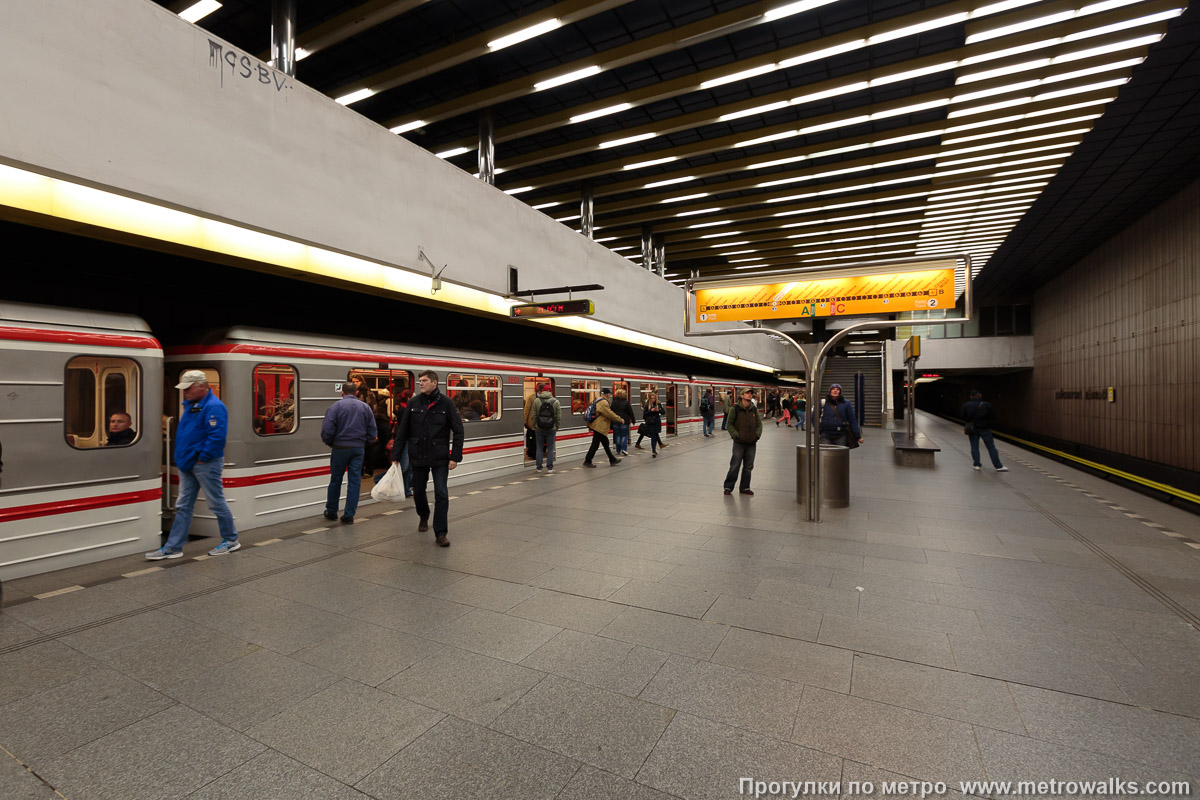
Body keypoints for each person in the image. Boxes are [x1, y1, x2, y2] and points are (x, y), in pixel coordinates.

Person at [147, 371, 238, 559]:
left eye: (188, 389)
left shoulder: (214, 406)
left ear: (201, 386)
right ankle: (173, 547)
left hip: (205, 463)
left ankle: (230, 540)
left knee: (216, 502)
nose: (185, 392)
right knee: (183, 505)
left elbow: (217, 437)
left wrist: (203, 457)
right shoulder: (192, 405)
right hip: (188, 463)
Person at [394, 370, 464, 546]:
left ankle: (440, 533)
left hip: (440, 456)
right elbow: (402, 432)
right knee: (418, 491)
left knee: (441, 493)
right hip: (418, 455)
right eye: (420, 381)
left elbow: (458, 431)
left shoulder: (447, 404)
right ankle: (423, 515)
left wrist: (455, 457)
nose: (421, 384)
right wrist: (395, 456)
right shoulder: (413, 403)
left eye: (424, 381)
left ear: (434, 382)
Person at [321, 383, 378, 524]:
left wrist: (330, 442)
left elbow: (327, 430)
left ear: (342, 393)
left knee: (336, 480)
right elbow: (372, 430)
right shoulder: (365, 407)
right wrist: (365, 443)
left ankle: (332, 511)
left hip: (339, 448)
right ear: (357, 392)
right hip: (358, 449)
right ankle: (349, 515)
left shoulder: (335, 407)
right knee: (354, 481)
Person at [724, 388, 762, 496]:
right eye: (747, 393)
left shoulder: (754, 409)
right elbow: (729, 424)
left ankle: (745, 487)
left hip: (751, 442)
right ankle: (728, 487)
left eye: (751, 393)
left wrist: (757, 435)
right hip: (739, 442)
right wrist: (735, 435)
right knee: (735, 464)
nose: (750, 395)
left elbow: (759, 424)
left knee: (748, 466)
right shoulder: (734, 409)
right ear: (742, 395)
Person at [962, 390, 1008, 472]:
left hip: (973, 429)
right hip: (984, 429)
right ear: (980, 396)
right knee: (991, 447)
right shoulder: (986, 405)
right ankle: (998, 466)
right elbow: (993, 416)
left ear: (971, 397)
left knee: (974, 446)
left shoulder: (966, 405)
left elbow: (963, 416)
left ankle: (976, 465)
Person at [583, 387, 622, 468]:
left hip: (598, 426)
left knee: (605, 443)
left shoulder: (598, 400)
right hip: (599, 426)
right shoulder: (603, 402)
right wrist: (619, 419)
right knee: (596, 444)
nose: (610, 396)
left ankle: (612, 459)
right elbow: (609, 413)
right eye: (609, 394)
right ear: (607, 394)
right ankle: (588, 460)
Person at [529, 383, 561, 473]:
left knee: (539, 447)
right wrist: (557, 426)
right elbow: (558, 417)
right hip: (551, 428)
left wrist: (534, 425)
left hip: (539, 428)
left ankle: (539, 467)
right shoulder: (556, 402)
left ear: (542, 391)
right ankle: (550, 468)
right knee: (550, 448)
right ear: (550, 391)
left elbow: (534, 415)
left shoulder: (537, 401)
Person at [634, 392, 664, 457]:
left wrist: (658, 410)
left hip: (657, 422)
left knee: (655, 436)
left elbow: (663, 412)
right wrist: (651, 411)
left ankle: (655, 448)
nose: (653, 399)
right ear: (650, 398)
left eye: (654, 398)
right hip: (651, 422)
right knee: (653, 436)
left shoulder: (658, 404)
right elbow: (645, 414)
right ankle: (653, 450)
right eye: (652, 398)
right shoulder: (647, 405)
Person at [609, 388, 634, 455]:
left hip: (615, 421)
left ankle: (618, 450)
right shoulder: (626, 402)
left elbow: (611, 411)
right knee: (624, 435)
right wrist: (633, 420)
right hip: (624, 421)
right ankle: (624, 449)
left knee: (617, 435)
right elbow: (630, 412)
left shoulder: (613, 402)